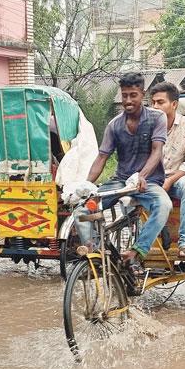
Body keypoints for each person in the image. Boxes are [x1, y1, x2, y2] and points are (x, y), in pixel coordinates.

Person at [75, 72, 172, 271]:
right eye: (125, 95)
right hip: (120, 181)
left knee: (164, 205)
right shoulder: (114, 125)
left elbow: (157, 151)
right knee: (81, 210)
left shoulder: (156, 118)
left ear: (142, 94)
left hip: (148, 182)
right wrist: (85, 186)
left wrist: (141, 176)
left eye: (133, 95)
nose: (128, 100)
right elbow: (102, 157)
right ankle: (97, 255)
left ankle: (137, 251)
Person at [149, 81, 185, 258]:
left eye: (160, 102)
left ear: (174, 104)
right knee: (128, 186)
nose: (155, 106)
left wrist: (170, 180)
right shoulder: (148, 127)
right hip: (154, 179)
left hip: (179, 178)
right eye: (153, 102)